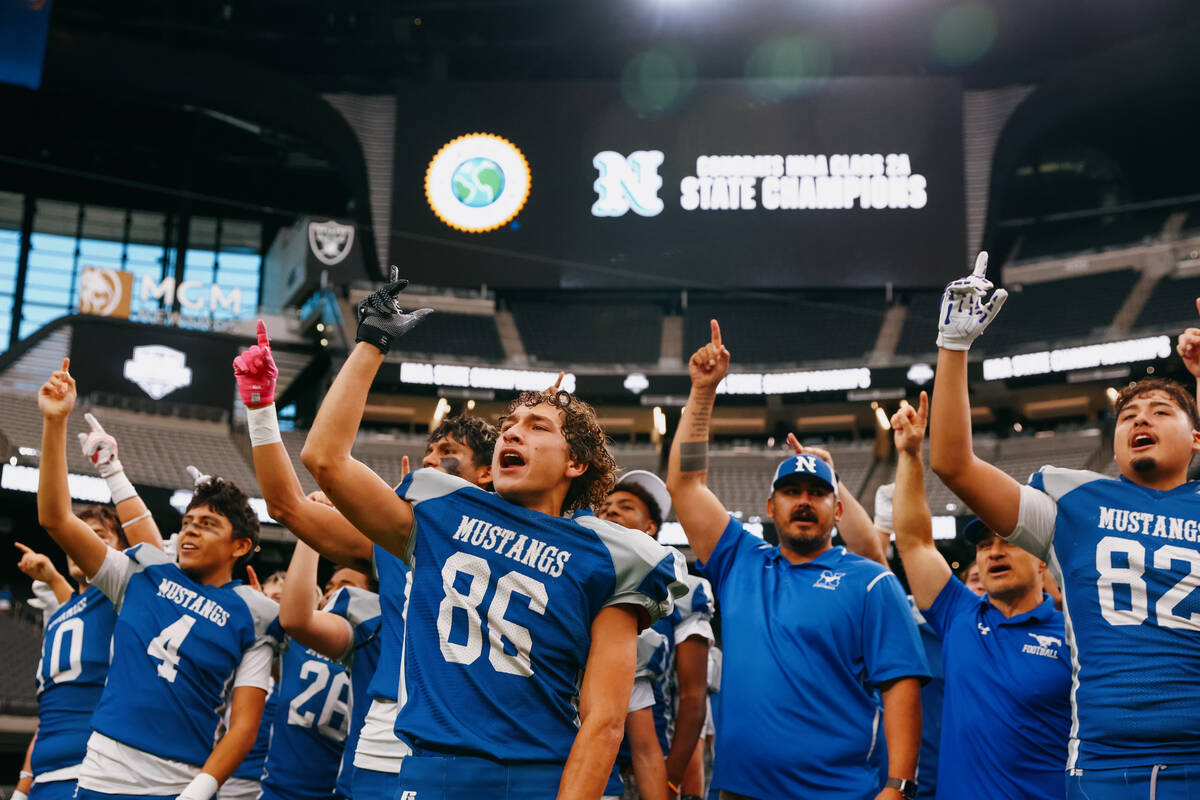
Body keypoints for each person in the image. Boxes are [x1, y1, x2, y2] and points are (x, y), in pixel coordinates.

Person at [301, 272, 688, 798]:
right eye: (511, 423)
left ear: (575, 462)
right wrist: (373, 340)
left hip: (534, 776)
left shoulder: (609, 552)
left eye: (537, 426)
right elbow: (324, 459)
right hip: (426, 770)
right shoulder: (442, 508)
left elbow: (604, 724)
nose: (512, 430)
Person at [930, 254, 1200, 797]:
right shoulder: (1072, 502)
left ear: (1197, 438)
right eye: (1128, 415)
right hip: (1102, 766)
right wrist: (954, 350)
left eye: (1160, 411)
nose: (1140, 418)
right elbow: (954, 464)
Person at [232, 319, 497, 800]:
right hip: (381, 740)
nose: (431, 460)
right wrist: (260, 410)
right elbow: (287, 506)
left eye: (449, 451)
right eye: (429, 451)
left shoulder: (513, 536)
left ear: (487, 473)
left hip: (469, 748)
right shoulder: (402, 534)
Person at [666, 320, 929, 800]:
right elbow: (685, 485)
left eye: (816, 493)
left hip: (839, 793)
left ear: (838, 508)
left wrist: (899, 786)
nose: (803, 501)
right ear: (771, 508)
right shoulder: (740, 561)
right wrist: (703, 393)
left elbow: (902, 688)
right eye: (791, 492)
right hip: (738, 792)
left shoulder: (871, 583)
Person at [37, 358, 278, 800]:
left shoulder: (255, 615)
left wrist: (200, 791)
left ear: (240, 546)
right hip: (98, 776)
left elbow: (244, 725)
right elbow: (55, 519)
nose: (190, 530)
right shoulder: (141, 574)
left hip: (177, 784)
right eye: (187, 522)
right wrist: (55, 424)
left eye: (207, 525)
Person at [890, 392, 1070, 799]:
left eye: (1007, 540)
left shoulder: (1074, 636)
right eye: (984, 544)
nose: (993, 552)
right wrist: (909, 455)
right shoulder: (959, 615)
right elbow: (916, 542)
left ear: (1043, 562)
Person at [598, 471, 714, 799]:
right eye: (605, 506)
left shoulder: (684, 592)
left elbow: (692, 698)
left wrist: (672, 777)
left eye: (625, 506)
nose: (611, 511)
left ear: (651, 527)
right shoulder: (581, 579)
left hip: (647, 765)